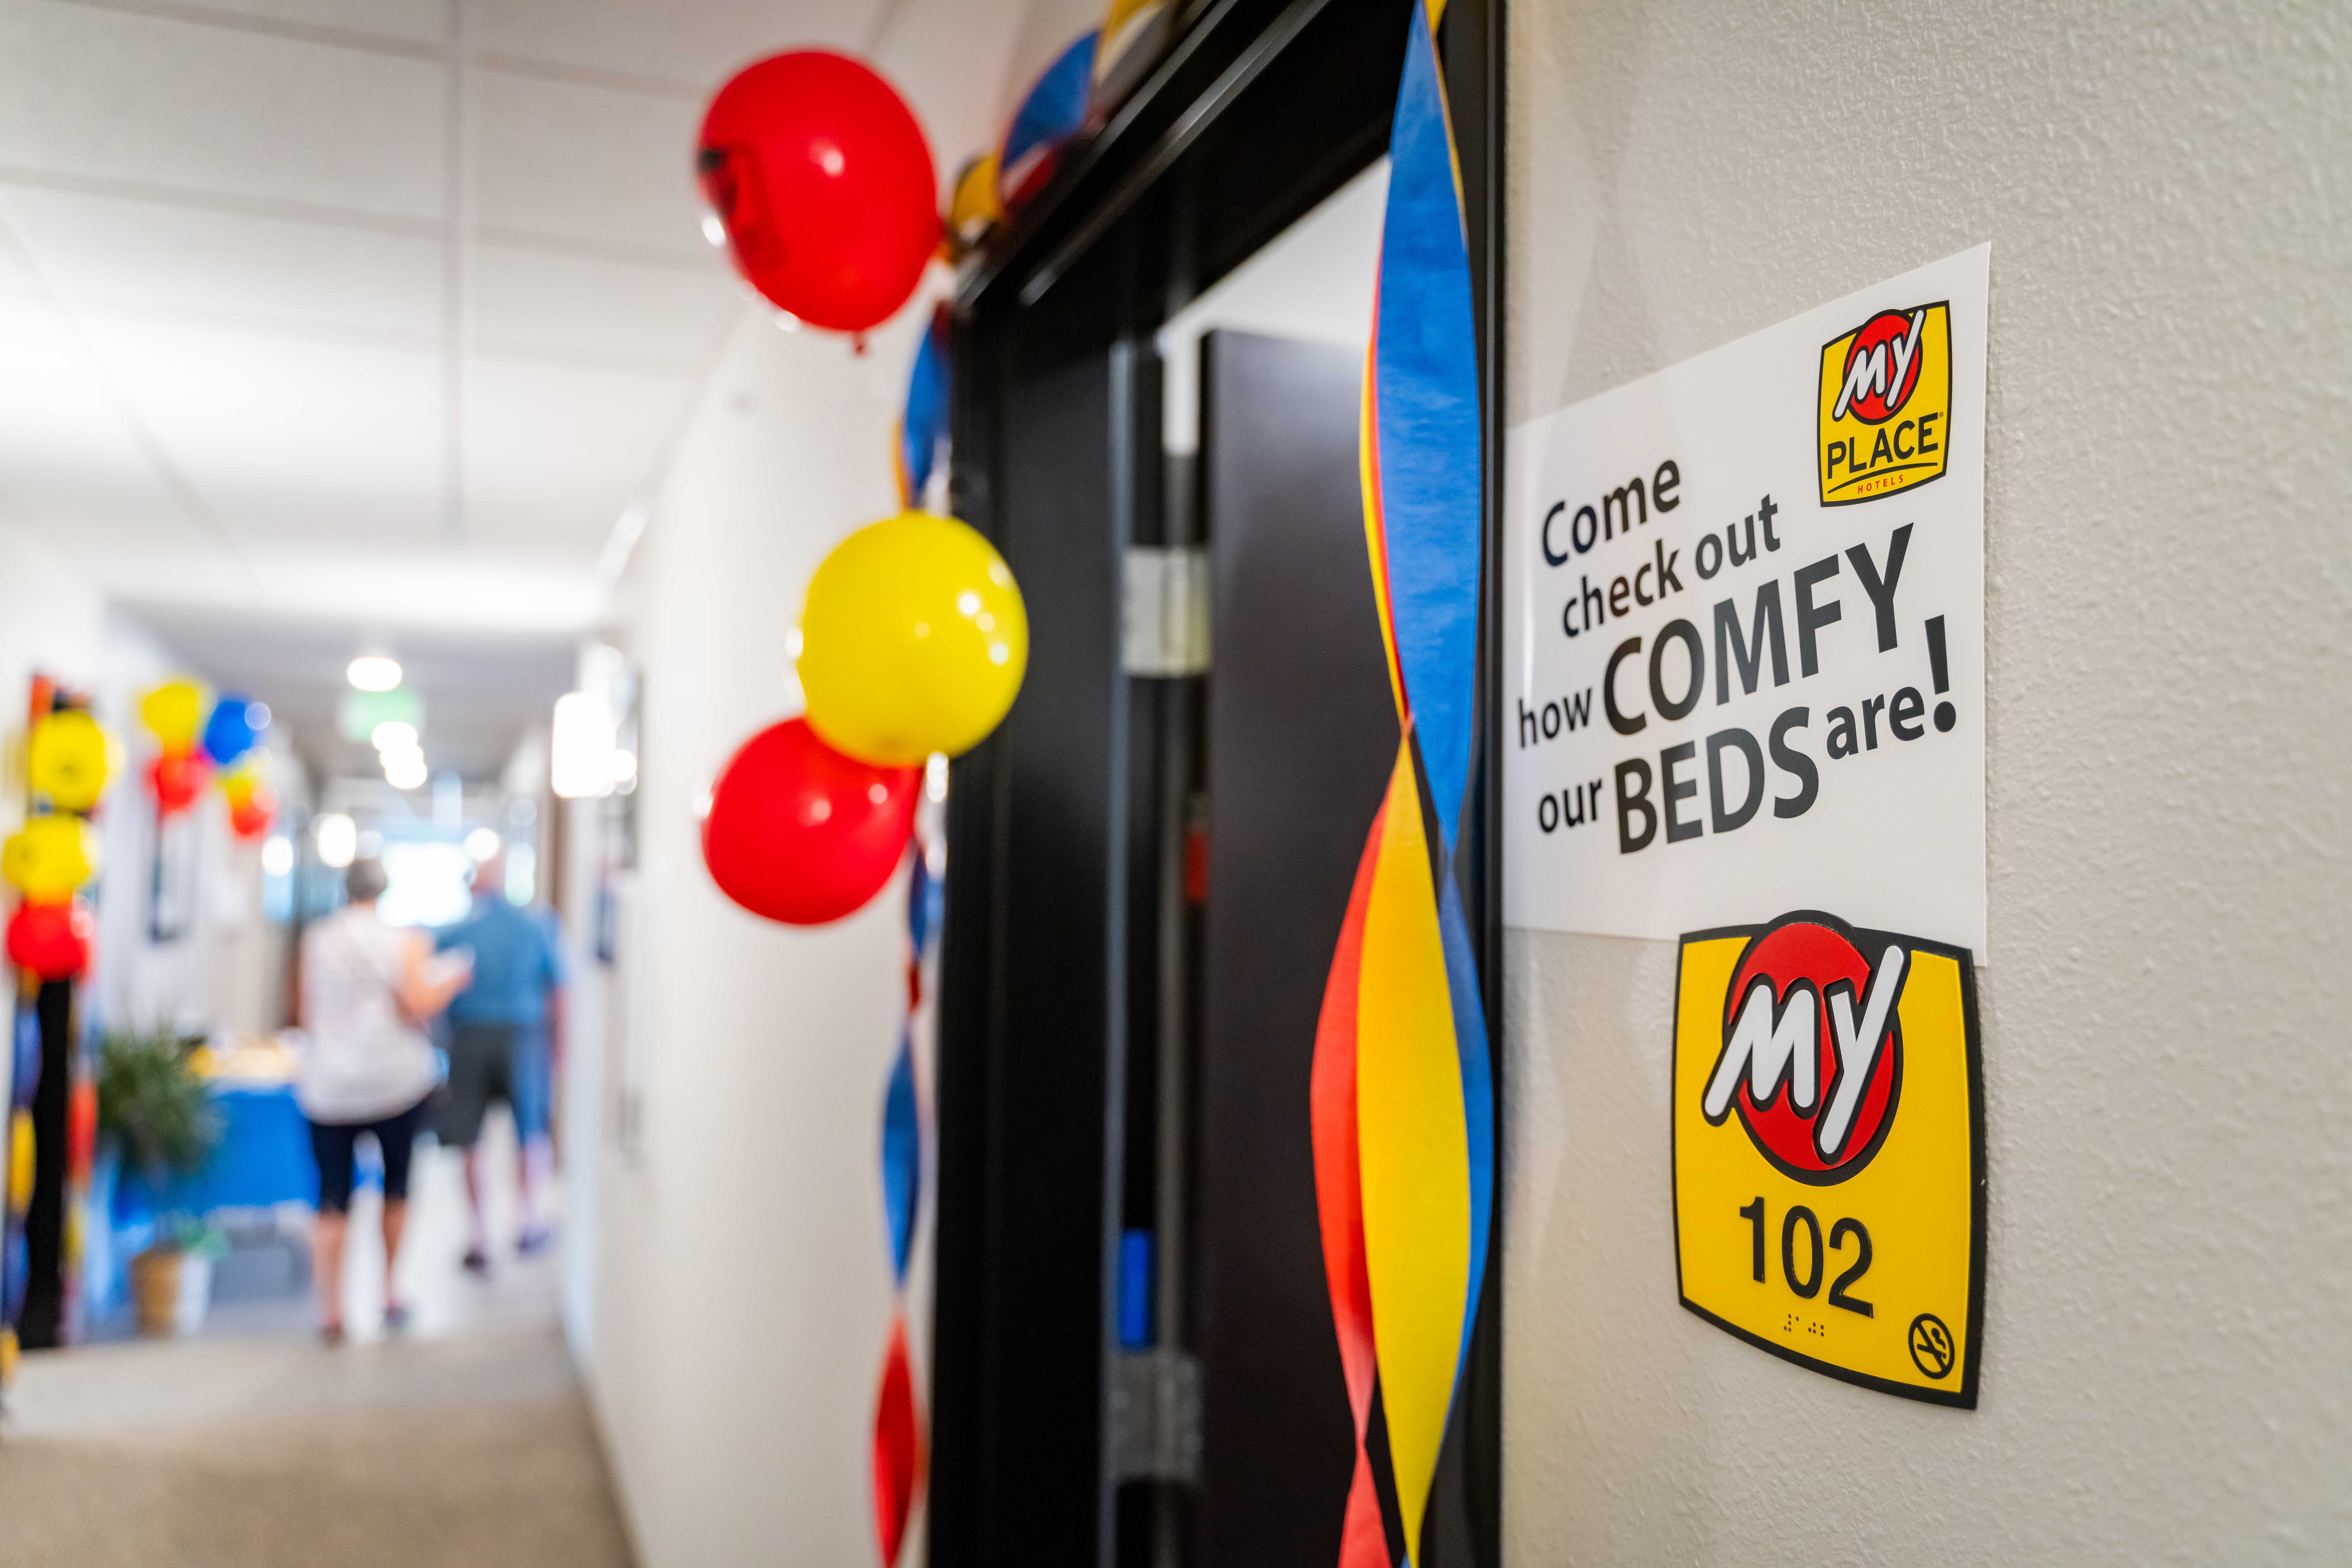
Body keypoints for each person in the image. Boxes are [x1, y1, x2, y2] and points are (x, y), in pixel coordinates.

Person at [297, 856, 469, 1344]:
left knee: (331, 1197)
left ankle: (331, 1309)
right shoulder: (406, 941)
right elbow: (419, 1003)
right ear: (384, 891)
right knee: (397, 1187)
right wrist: (454, 979)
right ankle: (390, 1292)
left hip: (329, 1084)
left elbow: (306, 1010)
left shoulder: (318, 939)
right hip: (395, 1083)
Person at [433, 850, 565, 1271]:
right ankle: (528, 1222)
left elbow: (435, 991)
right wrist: (560, 1049)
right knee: (530, 1132)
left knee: (471, 1138)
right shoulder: (536, 925)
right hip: (523, 1038)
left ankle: (480, 1236)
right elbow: (558, 990)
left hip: (470, 1037)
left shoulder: (455, 933)